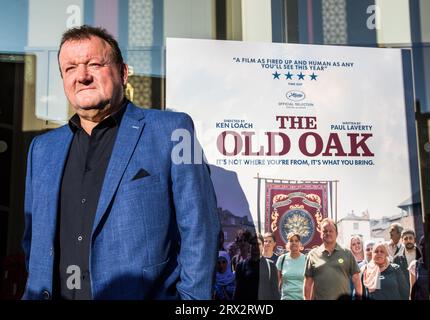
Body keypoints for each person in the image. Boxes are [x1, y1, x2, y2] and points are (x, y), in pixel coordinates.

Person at [21, 25, 220, 300]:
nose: (82, 76)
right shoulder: (41, 149)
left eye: (94, 64)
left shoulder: (174, 130)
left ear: (123, 72)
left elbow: (201, 228)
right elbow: (33, 241)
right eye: (70, 68)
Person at [304, 218, 362, 300]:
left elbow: (356, 279)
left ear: (337, 234)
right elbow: (308, 282)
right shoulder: (312, 255)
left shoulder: (347, 253)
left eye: (331, 231)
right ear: (320, 234)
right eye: (325, 231)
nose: (328, 233)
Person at [233, 233, 280, 300]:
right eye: (253, 244)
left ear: (263, 245)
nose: (256, 246)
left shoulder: (271, 266)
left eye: (259, 244)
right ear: (249, 246)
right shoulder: (241, 266)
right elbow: (237, 292)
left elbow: (275, 292)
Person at [276, 232, 306, 300]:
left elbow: (309, 283)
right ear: (288, 244)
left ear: (300, 243)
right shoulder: (282, 259)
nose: (294, 243)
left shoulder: (306, 259)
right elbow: (277, 283)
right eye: (291, 241)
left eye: (296, 241)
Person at [393, 229, 421, 293]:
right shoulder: (397, 259)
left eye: (410, 238)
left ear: (414, 240)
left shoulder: (423, 255)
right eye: (405, 239)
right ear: (402, 241)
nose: (408, 240)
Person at [408, 235, 429, 300]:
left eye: (425, 245)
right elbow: (413, 290)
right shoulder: (415, 265)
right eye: (421, 245)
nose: (423, 248)